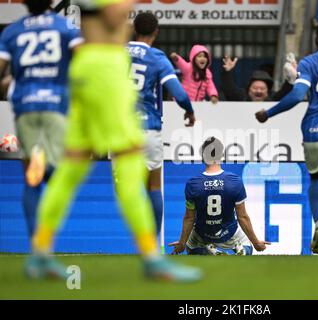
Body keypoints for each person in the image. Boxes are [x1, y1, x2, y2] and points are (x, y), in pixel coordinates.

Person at [25, 0, 201, 282]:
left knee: (70, 170)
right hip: (105, 70)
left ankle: (40, 251)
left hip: (89, 65)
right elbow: (113, 15)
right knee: (133, 168)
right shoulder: (147, 51)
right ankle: (152, 258)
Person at [255, 22, 318, 257]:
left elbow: (297, 95)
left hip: (313, 130)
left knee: (316, 178)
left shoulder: (309, 62)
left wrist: (268, 113)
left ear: (317, 40)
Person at [0, 0, 83, 236]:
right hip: (55, 106)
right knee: (58, 172)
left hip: (25, 106)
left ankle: (37, 246)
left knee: (32, 177)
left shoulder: (11, 31)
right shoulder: (65, 27)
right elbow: (82, 62)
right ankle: (45, 238)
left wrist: (11, 82)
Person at [126, 12, 196, 239]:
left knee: (127, 187)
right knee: (153, 186)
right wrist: (189, 111)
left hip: (120, 129)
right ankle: (151, 245)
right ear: (156, 32)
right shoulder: (156, 58)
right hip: (148, 127)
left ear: (134, 29)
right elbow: (179, 93)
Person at [169, 137, 269, 256]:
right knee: (248, 245)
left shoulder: (193, 184)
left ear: (203, 155)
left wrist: (182, 243)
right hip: (229, 233)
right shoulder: (234, 181)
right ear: (221, 155)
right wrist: (256, 243)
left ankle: (208, 250)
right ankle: (241, 248)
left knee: (190, 247)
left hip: (203, 234)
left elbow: (189, 218)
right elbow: (242, 216)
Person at [221, 56, 293, 102]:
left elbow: (285, 92)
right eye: (255, 88)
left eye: (262, 89)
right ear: (249, 89)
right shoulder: (242, 97)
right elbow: (229, 90)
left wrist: (291, 77)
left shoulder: (273, 99)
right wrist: (228, 71)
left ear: (268, 91)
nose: (258, 91)